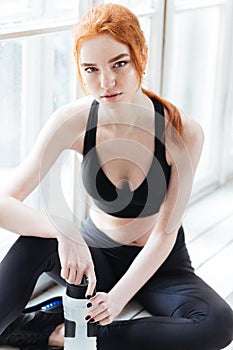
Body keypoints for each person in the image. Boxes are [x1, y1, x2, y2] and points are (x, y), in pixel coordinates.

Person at [0, 3, 232, 350]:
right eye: (90, 69)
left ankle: (68, 336)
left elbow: (166, 233)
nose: (105, 82)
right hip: (94, 254)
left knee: (219, 323)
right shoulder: (72, 121)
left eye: (118, 64)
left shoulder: (181, 131)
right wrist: (66, 233)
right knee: (35, 241)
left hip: (159, 266)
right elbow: (4, 202)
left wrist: (119, 298)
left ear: (141, 55)